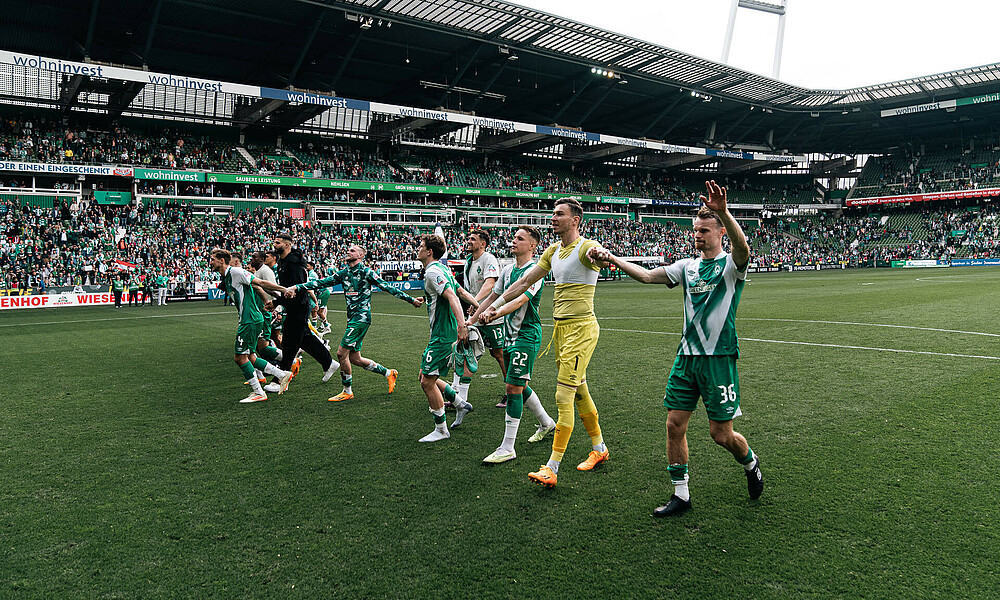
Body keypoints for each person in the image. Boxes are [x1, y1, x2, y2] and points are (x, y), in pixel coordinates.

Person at [589, 181, 763, 517]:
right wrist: (613, 258)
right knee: (673, 424)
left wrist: (724, 212)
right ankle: (681, 495)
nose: (698, 236)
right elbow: (646, 276)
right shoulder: (687, 267)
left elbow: (743, 249)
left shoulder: (730, 266)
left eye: (705, 230)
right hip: (686, 358)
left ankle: (751, 463)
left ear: (720, 232)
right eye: (695, 231)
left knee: (720, 434)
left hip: (719, 359)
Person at [481, 198, 609, 488]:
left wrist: (604, 256)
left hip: (581, 331)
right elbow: (524, 282)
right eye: (552, 214)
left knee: (563, 397)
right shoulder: (553, 251)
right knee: (579, 392)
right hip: (562, 333)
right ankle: (599, 449)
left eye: (559, 214)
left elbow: (599, 255)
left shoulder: (587, 247)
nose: (553, 218)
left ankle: (552, 468)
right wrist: (496, 305)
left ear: (575, 220)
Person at [287, 244, 425, 402]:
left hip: (361, 318)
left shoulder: (366, 272)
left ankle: (347, 391)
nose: (348, 251)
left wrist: (411, 300)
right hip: (352, 318)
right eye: (348, 250)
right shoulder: (344, 273)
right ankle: (389, 373)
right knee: (355, 358)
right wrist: (297, 287)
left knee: (340, 353)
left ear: (361, 255)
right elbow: (321, 283)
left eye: (352, 250)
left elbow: (387, 287)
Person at [468, 226, 556, 463]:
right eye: (514, 237)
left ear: (533, 245)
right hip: (509, 335)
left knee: (512, 388)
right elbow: (491, 298)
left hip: (526, 336)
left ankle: (508, 447)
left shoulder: (535, 271)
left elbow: (518, 301)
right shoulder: (507, 270)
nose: (514, 241)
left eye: (520, 238)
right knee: (516, 383)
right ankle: (547, 423)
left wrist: (494, 314)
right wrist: (471, 320)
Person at [208, 248, 294, 403]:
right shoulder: (226, 277)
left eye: (213, 259)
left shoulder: (236, 272)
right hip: (250, 319)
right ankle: (282, 375)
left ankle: (258, 392)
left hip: (250, 320)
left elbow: (260, 283)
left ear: (221, 261)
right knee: (251, 357)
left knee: (240, 358)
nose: (210, 262)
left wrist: (284, 290)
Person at [415, 234, 475, 442]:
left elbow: (451, 296)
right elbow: (461, 292)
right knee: (425, 373)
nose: (418, 248)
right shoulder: (443, 269)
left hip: (443, 333)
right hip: (442, 332)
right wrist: (478, 309)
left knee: (427, 381)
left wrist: (462, 326)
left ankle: (441, 429)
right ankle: (460, 403)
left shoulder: (433, 271)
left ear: (429, 251)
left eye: (421, 246)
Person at [265, 232, 339, 394]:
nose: (274, 245)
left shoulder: (293, 263)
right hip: (293, 307)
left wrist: (277, 303)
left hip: (299, 307)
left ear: (287, 244)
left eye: (278, 243)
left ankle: (280, 378)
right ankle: (328, 363)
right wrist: (278, 303)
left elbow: (297, 290)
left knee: (290, 344)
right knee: (305, 339)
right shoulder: (284, 262)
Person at [460, 229, 508, 409]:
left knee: (499, 354)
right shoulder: (469, 262)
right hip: (475, 314)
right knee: (468, 351)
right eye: (469, 238)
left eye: (473, 239)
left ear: (483, 244)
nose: (469, 241)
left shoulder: (488, 259)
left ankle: (511, 391)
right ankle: (460, 397)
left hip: (491, 316)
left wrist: (476, 301)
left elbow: (490, 284)